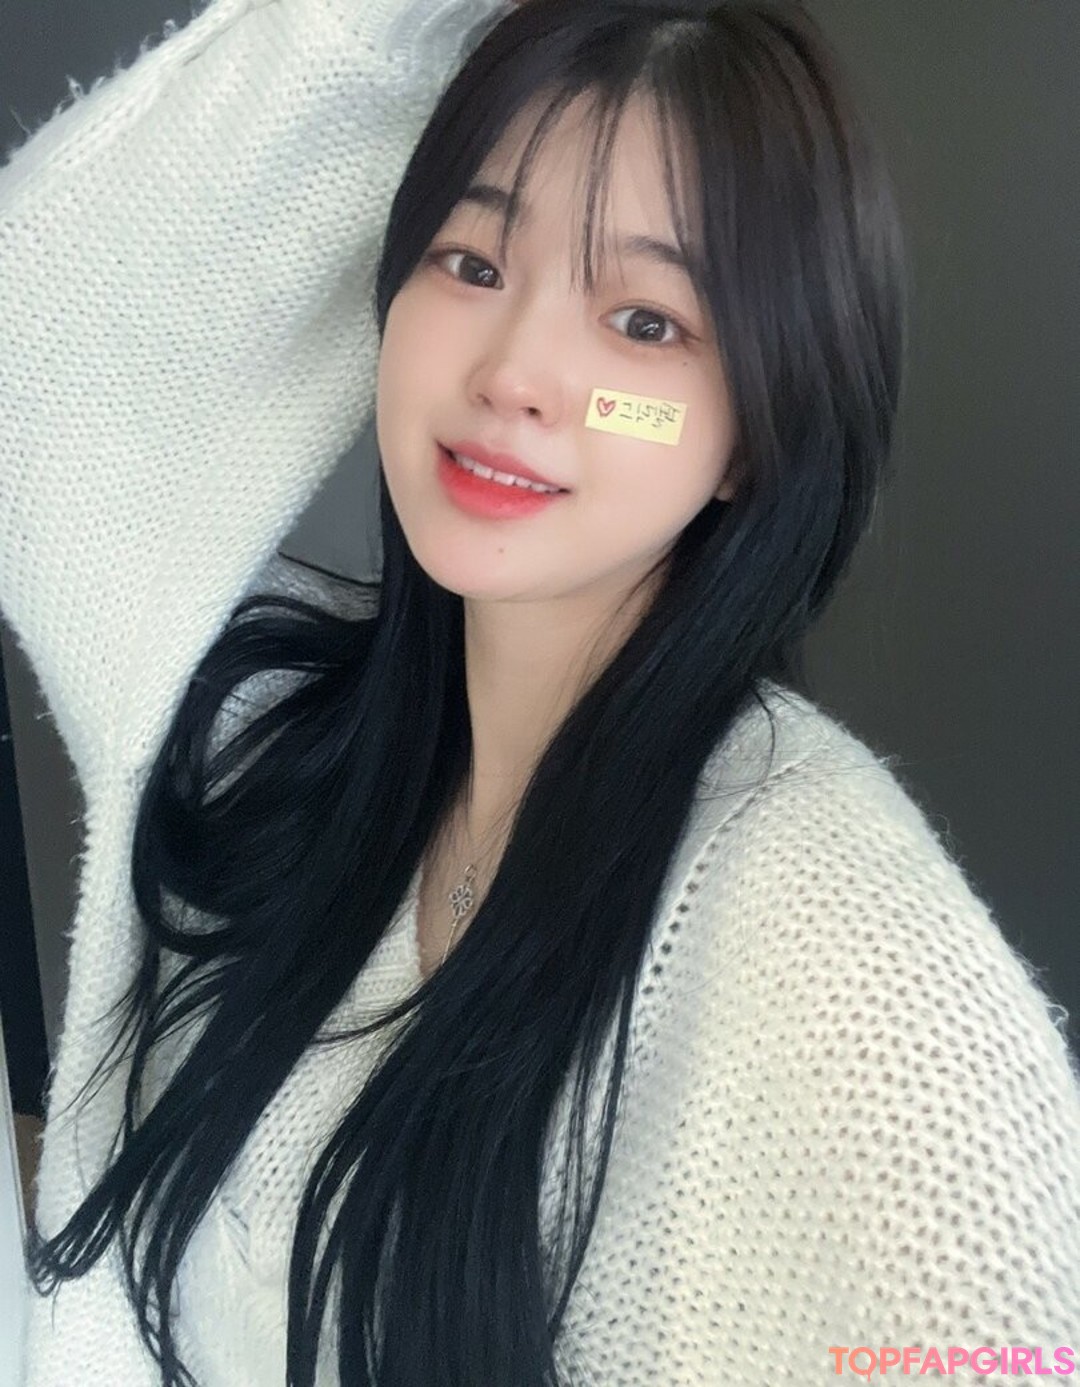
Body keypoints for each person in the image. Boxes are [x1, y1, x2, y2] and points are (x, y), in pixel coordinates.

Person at [1, 0, 1078, 1382]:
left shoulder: (839, 948)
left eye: (644, 322)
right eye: (473, 260)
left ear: (758, 431)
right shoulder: (267, 728)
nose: (515, 375)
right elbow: (37, 367)